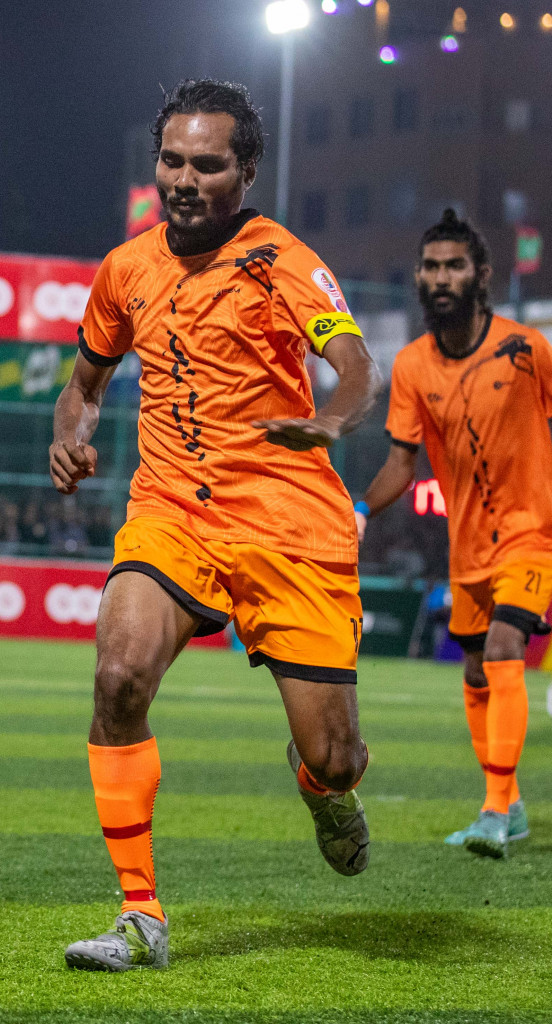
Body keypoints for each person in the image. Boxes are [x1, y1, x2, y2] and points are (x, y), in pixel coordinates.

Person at [49, 79, 380, 971]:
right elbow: (87, 376)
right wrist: (68, 435)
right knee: (117, 673)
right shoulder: (127, 267)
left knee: (339, 755)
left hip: (288, 527)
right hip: (171, 513)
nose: (184, 179)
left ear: (245, 171)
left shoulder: (283, 259)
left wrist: (336, 419)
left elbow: (353, 366)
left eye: (207, 164)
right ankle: (140, 916)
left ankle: (323, 787)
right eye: (171, 160)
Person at [355, 209, 552, 858]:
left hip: (533, 537)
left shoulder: (528, 349)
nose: (441, 277)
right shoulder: (411, 366)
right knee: (473, 671)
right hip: (467, 551)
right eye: (431, 267)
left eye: (455, 266)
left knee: (502, 649)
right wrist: (359, 512)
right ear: (419, 276)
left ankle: (494, 811)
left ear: (481, 275)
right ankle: (513, 803)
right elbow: (399, 466)